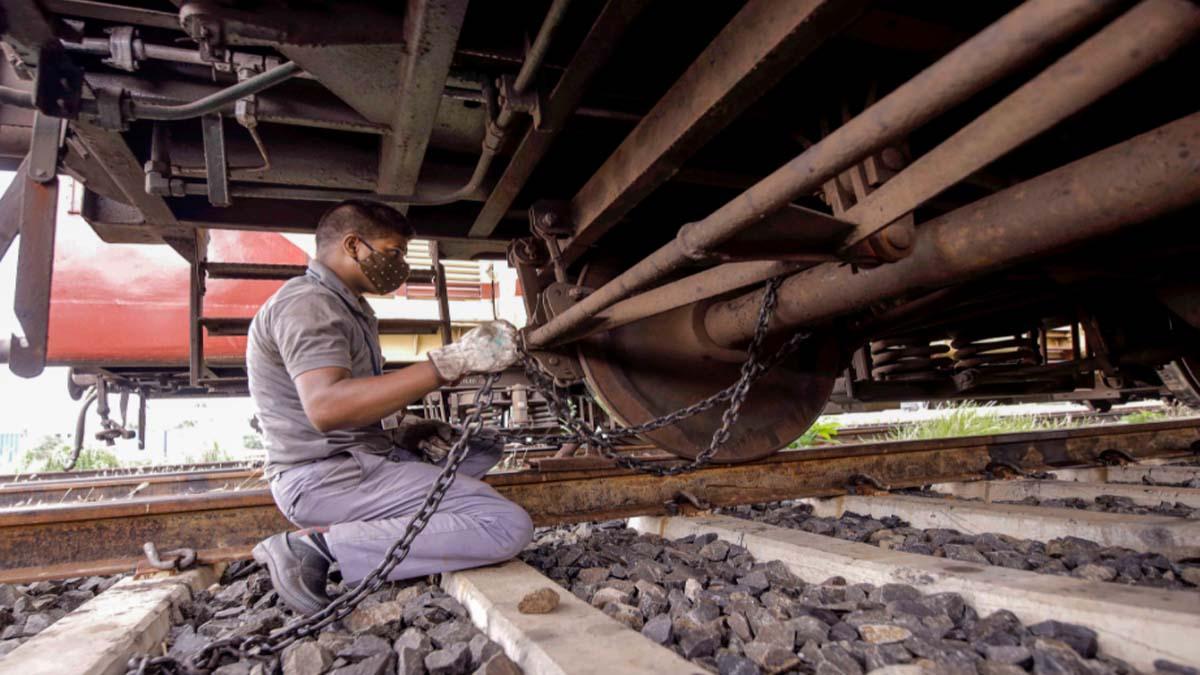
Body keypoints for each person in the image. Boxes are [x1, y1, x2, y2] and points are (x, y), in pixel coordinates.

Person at [246, 199, 532, 616]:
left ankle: (365, 526)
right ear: (353, 245)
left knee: (480, 451)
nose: (399, 265)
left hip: (350, 461)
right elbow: (326, 407)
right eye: (393, 252)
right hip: (326, 478)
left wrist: (400, 435)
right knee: (506, 525)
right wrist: (447, 364)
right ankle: (315, 546)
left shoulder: (345, 305)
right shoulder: (309, 305)